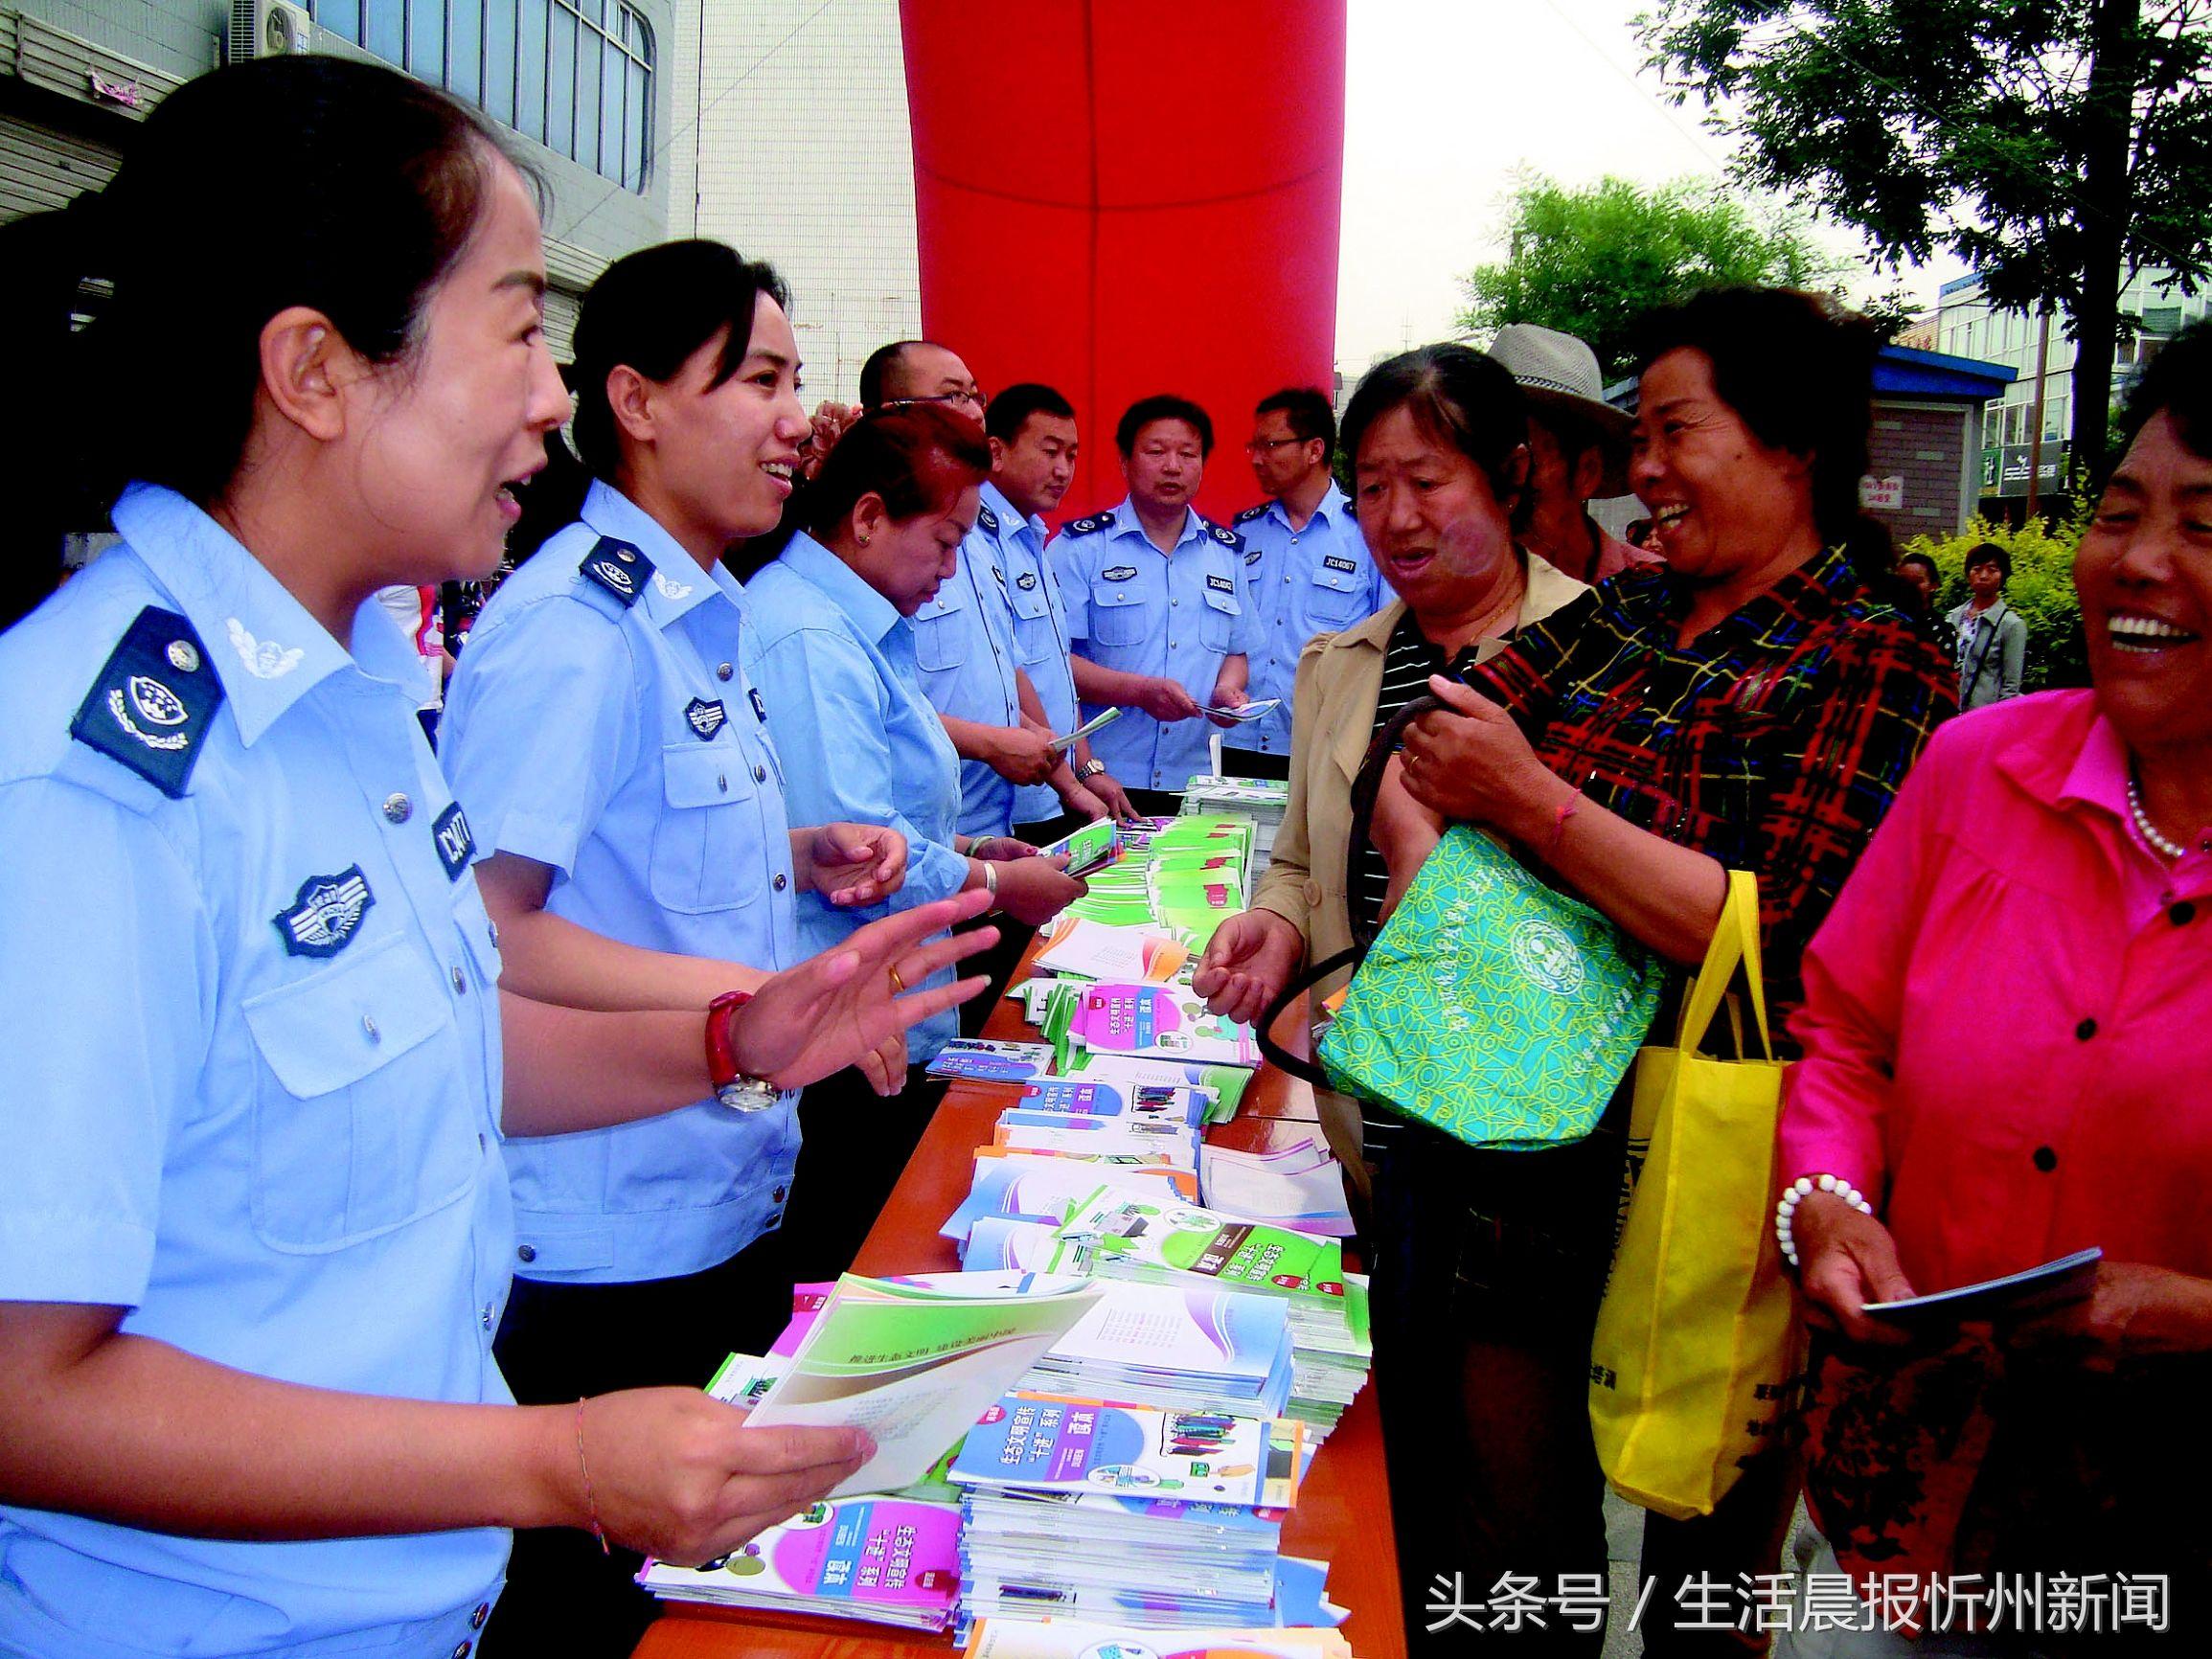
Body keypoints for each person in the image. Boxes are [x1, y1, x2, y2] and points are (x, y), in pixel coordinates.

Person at [0, 57, 990, 1659]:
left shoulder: (357, 690)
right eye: (520, 323)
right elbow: (24, 1392)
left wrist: (738, 1036)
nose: (551, 393)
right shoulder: (95, 775)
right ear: (316, 371)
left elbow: (445, 1049)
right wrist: (549, 1457)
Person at [1365, 288, 1959, 1651]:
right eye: (1637, 437)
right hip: (1515, 1124)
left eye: (1675, 433)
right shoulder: (1621, 623)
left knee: (1703, 1583)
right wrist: (1431, 884)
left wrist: (1532, 812)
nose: (1642, 473)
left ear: (1791, 445)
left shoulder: (1873, 650)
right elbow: (1436, 749)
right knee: (1509, 1551)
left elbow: (1790, 931)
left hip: (1716, 1174)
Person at [435, 238, 941, 1656]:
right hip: (600, 1248)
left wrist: (792, 862)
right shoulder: (578, 630)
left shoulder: (691, 612)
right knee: (594, 1624)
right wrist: (764, 995)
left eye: (796, 380)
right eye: (761, 380)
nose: (799, 421)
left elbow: (626, 855)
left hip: (709, 1193)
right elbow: (486, 921)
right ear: (639, 401)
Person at [1773, 322, 2212, 1658]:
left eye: (2202, 524)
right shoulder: (1976, 771)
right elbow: (1843, 1030)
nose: (2138, 561)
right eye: (2121, 510)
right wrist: (1829, 1203)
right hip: (1905, 1508)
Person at [1191, 346, 1586, 1187]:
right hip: (1360, 1120)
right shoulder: (1338, 665)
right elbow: (1299, 860)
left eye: (1428, 481)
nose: (1395, 517)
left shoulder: (1596, 648)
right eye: (1371, 487)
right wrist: (1281, 930)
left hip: (1526, 1141)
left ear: (1507, 478)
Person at [748, 406, 1088, 1277]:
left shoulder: (857, 626)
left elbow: (883, 811)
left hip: (892, 1005)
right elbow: (856, 856)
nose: (950, 569)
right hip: (846, 1027)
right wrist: (990, 881)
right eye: (942, 543)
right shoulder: (810, 640)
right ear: (866, 518)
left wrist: (974, 845)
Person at [908, 379, 1126, 841]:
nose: (1063, 469)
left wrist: (1081, 770)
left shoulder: (1031, 539)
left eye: (1072, 455)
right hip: (974, 806)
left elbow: (1040, 675)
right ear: (996, 452)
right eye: (1050, 452)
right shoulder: (972, 538)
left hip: (1034, 784)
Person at [1055, 394, 1260, 807]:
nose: (1173, 466)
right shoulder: (1080, 548)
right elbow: (1053, 664)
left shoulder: (1227, 554)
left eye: (1188, 454)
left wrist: (1226, 692)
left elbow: (1237, 651)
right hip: (1099, 780)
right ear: (1125, 461)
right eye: (1156, 452)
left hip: (1195, 781)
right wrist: (1139, 691)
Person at [1224, 386, 1384, 778]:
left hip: (1324, 746)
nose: (1258, 459)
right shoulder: (1242, 533)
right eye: (1253, 447)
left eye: (1272, 445)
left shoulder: (1367, 534)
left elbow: (1387, 641)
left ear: (1315, 450)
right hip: (1237, 741)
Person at [1487, 322, 1661, 585]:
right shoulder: (1441, 594)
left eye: (1525, 464)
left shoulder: (1655, 594)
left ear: (1586, 472)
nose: (1501, 503)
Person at [1947, 540, 2028, 708]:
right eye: (1977, 569)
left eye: (1992, 570)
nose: (1983, 575)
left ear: (2003, 576)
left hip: (1983, 716)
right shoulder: (1952, 618)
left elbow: (2011, 686)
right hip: (1947, 713)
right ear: (1968, 574)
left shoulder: (2011, 625)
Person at [1895, 549, 1941, 613]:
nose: (1909, 586)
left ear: (1933, 585)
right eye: (1904, 581)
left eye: (1916, 581)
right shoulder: (1884, 619)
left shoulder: (1938, 622)